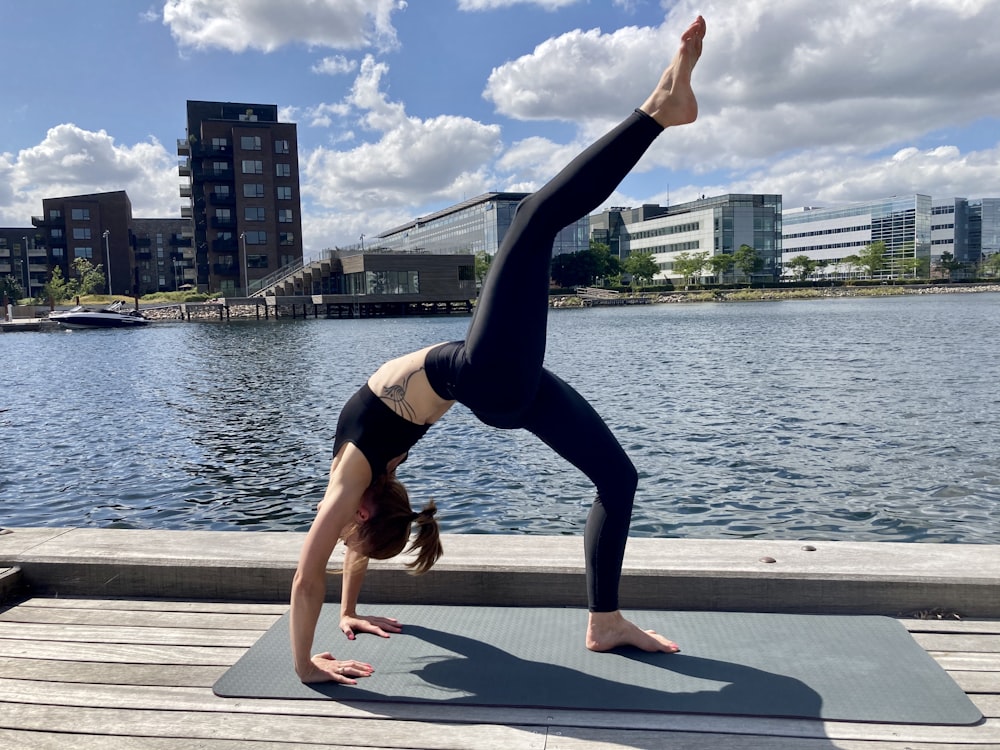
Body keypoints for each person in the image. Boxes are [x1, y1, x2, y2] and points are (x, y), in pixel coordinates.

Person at [291, 15, 706, 685]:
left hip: (508, 388)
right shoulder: (355, 478)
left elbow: (348, 551)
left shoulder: (368, 484)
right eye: (348, 527)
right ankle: (660, 109)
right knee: (534, 219)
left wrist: (350, 612)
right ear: (365, 512)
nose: (339, 529)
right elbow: (309, 570)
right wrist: (305, 664)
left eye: (346, 533)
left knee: (618, 481)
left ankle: (605, 622)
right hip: (488, 374)